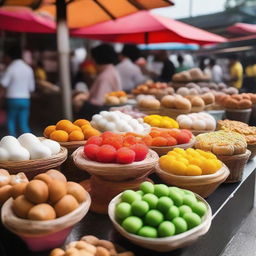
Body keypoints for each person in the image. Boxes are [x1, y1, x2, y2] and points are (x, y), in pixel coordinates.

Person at [78, 44, 121, 119]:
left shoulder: (105, 76)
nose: (91, 62)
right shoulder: (110, 69)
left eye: (92, 58)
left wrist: (81, 101)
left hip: (102, 115)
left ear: (96, 59)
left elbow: (98, 102)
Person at [0, 47, 35, 136]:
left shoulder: (11, 68)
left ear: (9, 56)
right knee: (24, 124)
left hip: (12, 99)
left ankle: (12, 144)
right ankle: (29, 144)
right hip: (25, 99)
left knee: (11, 122)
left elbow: (3, 84)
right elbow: (32, 88)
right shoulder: (28, 68)